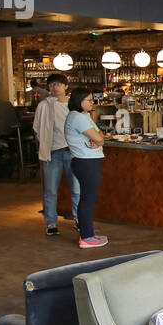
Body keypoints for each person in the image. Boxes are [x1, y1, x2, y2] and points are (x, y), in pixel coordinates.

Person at [33, 73, 81, 236]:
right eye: (52, 84)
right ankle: (51, 223)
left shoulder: (74, 105)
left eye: (59, 84)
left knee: (76, 188)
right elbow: (37, 127)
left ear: (66, 86)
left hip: (72, 151)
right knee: (50, 190)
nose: (55, 87)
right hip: (52, 152)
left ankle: (78, 219)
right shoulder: (44, 105)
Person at [64, 86, 108, 248]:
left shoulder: (83, 115)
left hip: (88, 161)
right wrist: (97, 139)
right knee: (88, 200)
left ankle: (88, 233)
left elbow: (100, 134)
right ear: (79, 101)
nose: (92, 102)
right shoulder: (77, 117)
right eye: (89, 100)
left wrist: (98, 138)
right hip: (85, 161)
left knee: (89, 198)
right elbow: (100, 139)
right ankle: (86, 237)